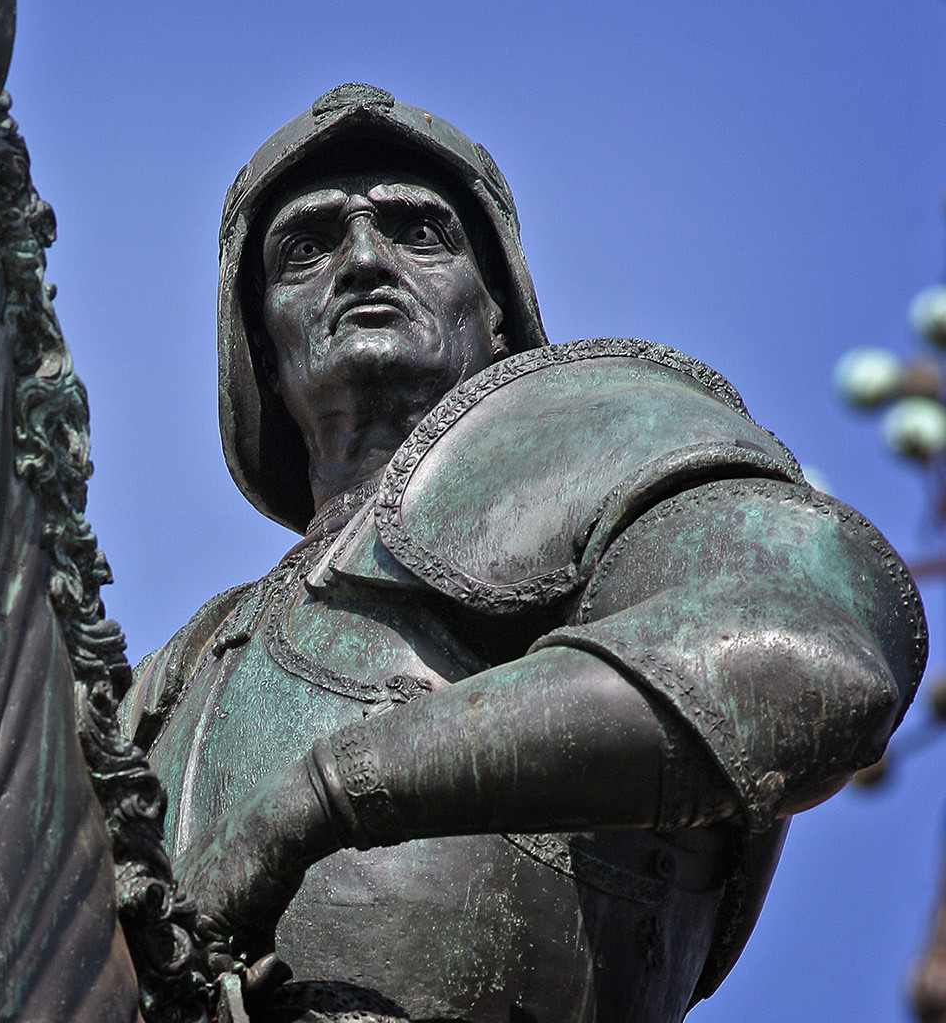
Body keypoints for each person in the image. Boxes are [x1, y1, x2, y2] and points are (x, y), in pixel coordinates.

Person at [122, 83, 927, 1023]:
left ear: (497, 311)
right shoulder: (179, 669)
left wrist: (322, 798)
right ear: (257, 343)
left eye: (419, 232)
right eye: (307, 247)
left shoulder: (612, 443)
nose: (365, 261)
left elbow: (812, 659)